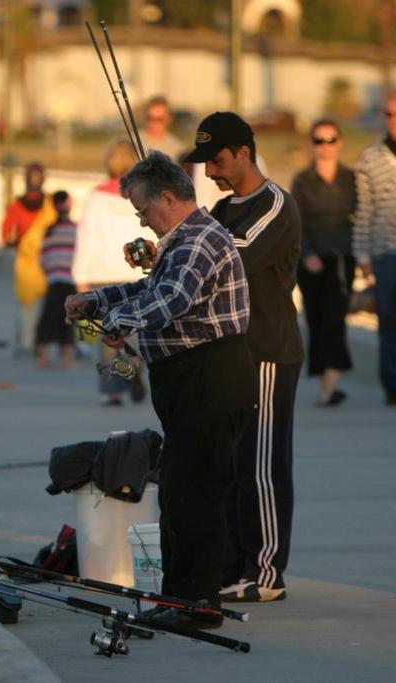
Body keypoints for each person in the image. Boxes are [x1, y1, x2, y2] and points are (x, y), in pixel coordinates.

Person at [65, 151, 253, 629]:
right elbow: (150, 288)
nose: (142, 221)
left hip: (210, 377)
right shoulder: (181, 240)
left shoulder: (198, 241)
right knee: (178, 487)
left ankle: (197, 604)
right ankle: (179, 598)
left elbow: (171, 299)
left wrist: (116, 320)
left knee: (195, 491)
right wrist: (98, 299)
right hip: (188, 378)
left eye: (143, 210)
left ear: (168, 197)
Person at [184, 112, 303, 603]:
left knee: (262, 465)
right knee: (231, 464)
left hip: (269, 353)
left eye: (216, 160)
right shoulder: (221, 209)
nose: (210, 172)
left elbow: (230, 255)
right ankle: (232, 566)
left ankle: (266, 572)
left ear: (243, 153)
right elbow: (196, 254)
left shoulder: (275, 205)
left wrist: (185, 239)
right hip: (231, 355)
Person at [72, 140, 147, 405]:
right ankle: (135, 368)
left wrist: (80, 276)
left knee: (107, 335)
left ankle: (112, 390)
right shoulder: (141, 196)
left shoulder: (96, 197)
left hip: (103, 273)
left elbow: (86, 237)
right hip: (135, 273)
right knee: (135, 332)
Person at [292, 119, 357, 406]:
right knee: (316, 318)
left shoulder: (351, 179)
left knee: (335, 316)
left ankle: (332, 383)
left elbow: (361, 217)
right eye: (319, 140)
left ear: (339, 142)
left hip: (342, 258)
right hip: (311, 260)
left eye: (331, 140)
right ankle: (325, 383)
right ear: (312, 144)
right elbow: (295, 223)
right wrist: (306, 254)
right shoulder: (302, 180)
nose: (325, 146)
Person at [353, 91, 396, 406]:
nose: (394, 121)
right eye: (389, 114)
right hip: (384, 253)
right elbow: (363, 212)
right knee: (389, 320)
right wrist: (363, 258)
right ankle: (391, 385)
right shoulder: (371, 158)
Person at [1, 162, 49, 355]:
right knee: (44, 304)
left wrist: (16, 243)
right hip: (46, 259)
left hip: (26, 260)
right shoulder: (50, 203)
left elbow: (5, 233)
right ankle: (38, 341)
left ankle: (28, 341)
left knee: (27, 305)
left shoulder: (17, 205)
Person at [35, 190, 77, 369]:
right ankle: (67, 358)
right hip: (70, 279)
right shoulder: (77, 229)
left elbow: (43, 258)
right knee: (68, 319)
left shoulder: (49, 231)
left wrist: (49, 273)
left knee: (48, 318)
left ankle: (42, 357)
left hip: (53, 280)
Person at [139, 95, 186, 160]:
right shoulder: (131, 142)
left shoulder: (178, 149)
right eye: (150, 118)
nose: (154, 123)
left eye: (159, 119)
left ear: (169, 119)